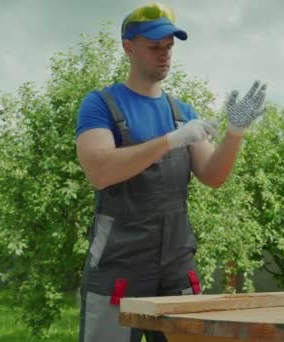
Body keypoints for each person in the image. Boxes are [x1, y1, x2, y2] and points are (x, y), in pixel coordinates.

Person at [74, 3, 267, 341]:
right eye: (154, 47)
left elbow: (213, 175)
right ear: (128, 47)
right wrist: (170, 140)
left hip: (177, 268)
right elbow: (100, 171)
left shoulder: (183, 113)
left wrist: (235, 134)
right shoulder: (100, 105)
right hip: (118, 267)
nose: (164, 55)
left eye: (169, 47)